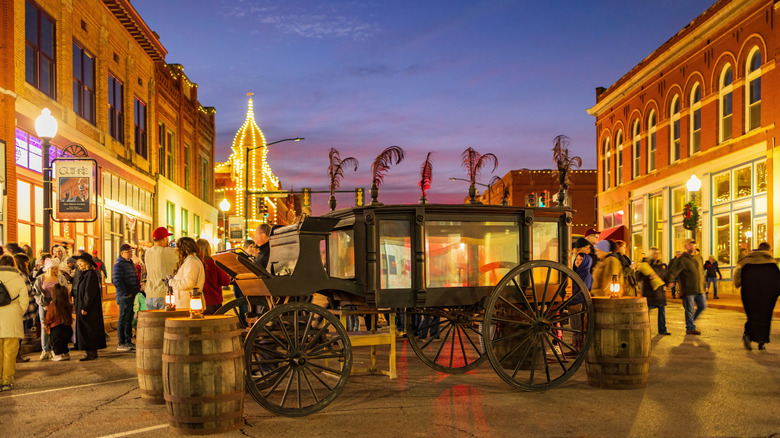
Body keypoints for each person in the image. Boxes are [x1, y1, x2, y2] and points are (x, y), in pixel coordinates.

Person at [734, 242, 780, 351]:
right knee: (765, 316)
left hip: (749, 293)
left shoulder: (747, 260)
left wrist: (739, 283)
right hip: (767, 295)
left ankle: (748, 336)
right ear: (768, 250)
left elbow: (737, 273)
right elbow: (777, 281)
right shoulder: (771, 263)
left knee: (752, 314)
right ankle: (761, 341)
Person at [0, 254, 30, 391]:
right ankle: (6, 380)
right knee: (10, 354)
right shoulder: (19, 278)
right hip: (12, 319)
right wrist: (18, 313)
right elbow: (24, 302)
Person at [72, 252, 106, 361]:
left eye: (80, 262)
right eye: (78, 263)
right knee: (87, 328)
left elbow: (89, 292)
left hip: (88, 308)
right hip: (84, 306)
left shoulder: (90, 274)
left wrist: (85, 307)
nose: (79, 265)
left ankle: (90, 352)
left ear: (86, 263)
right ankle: (90, 351)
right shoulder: (86, 274)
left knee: (88, 329)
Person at [32, 257, 68, 360]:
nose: (54, 271)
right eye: (52, 268)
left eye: (56, 268)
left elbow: (65, 290)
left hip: (58, 303)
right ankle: (45, 350)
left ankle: (55, 348)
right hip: (45, 303)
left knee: (57, 326)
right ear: (47, 269)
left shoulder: (61, 278)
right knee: (45, 326)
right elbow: (36, 293)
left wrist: (60, 302)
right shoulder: (41, 278)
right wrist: (43, 304)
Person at [668, 239, 705, 335]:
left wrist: (704, 285)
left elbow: (701, 273)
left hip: (699, 288)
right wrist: (670, 281)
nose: (692, 246)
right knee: (689, 309)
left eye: (694, 244)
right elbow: (673, 271)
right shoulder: (681, 260)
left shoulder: (699, 258)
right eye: (690, 245)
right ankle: (690, 327)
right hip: (688, 289)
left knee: (702, 306)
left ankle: (691, 321)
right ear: (685, 247)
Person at [636, 247, 670, 335]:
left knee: (662, 310)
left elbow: (665, 275)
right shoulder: (645, 265)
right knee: (647, 311)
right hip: (649, 292)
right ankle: (642, 328)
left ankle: (662, 329)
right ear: (651, 254)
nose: (657, 255)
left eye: (658, 253)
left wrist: (669, 282)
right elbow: (638, 277)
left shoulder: (662, 265)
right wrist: (648, 277)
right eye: (655, 253)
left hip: (660, 291)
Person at [113, 244, 139, 351]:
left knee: (129, 319)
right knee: (123, 319)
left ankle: (128, 341)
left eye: (131, 251)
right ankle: (121, 342)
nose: (130, 253)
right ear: (122, 253)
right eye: (128, 252)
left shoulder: (130, 263)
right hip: (124, 296)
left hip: (132, 295)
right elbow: (116, 280)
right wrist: (125, 293)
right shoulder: (119, 265)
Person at [145, 227, 178, 310]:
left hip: (149, 295)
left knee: (152, 322)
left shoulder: (147, 252)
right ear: (165, 239)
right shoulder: (169, 252)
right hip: (163, 294)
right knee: (164, 322)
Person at [168, 237, 205, 309]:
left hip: (189, 305)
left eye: (178, 248)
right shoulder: (188, 261)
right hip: (185, 304)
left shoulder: (191, 262)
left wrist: (171, 282)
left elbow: (189, 283)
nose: (176, 251)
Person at [197, 239, 231, 314]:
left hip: (197, 301)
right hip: (214, 300)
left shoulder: (194, 263)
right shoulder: (214, 263)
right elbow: (225, 281)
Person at [14, 253, 35, 363]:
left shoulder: (16, 275)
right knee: (19, 334)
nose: (28, 263)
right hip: (23, 309)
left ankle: (17, 354)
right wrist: (34, 291)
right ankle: (17, 355)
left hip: (20, 309)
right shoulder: (21, 275)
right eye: (26, 261)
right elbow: (27, 291)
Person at [44, 284, 74, 361]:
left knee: (56, 342)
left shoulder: (53, 304)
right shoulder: (68, 304)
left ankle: (58, 355)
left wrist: (46, 324)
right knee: (64, 342)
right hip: (68, 328)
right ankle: (66, 353)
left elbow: (49, 316)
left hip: (57, 329)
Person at [570, 251, 592, 351]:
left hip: (579, 302)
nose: (578, 261)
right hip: (573, 301)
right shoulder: (576, 272)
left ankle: (578, 348)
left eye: (581, 260)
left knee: (578, 326)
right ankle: (575, 347)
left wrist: (574, 298)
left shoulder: (586, 274)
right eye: (577, 259)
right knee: (574, 325)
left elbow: (583, 289)